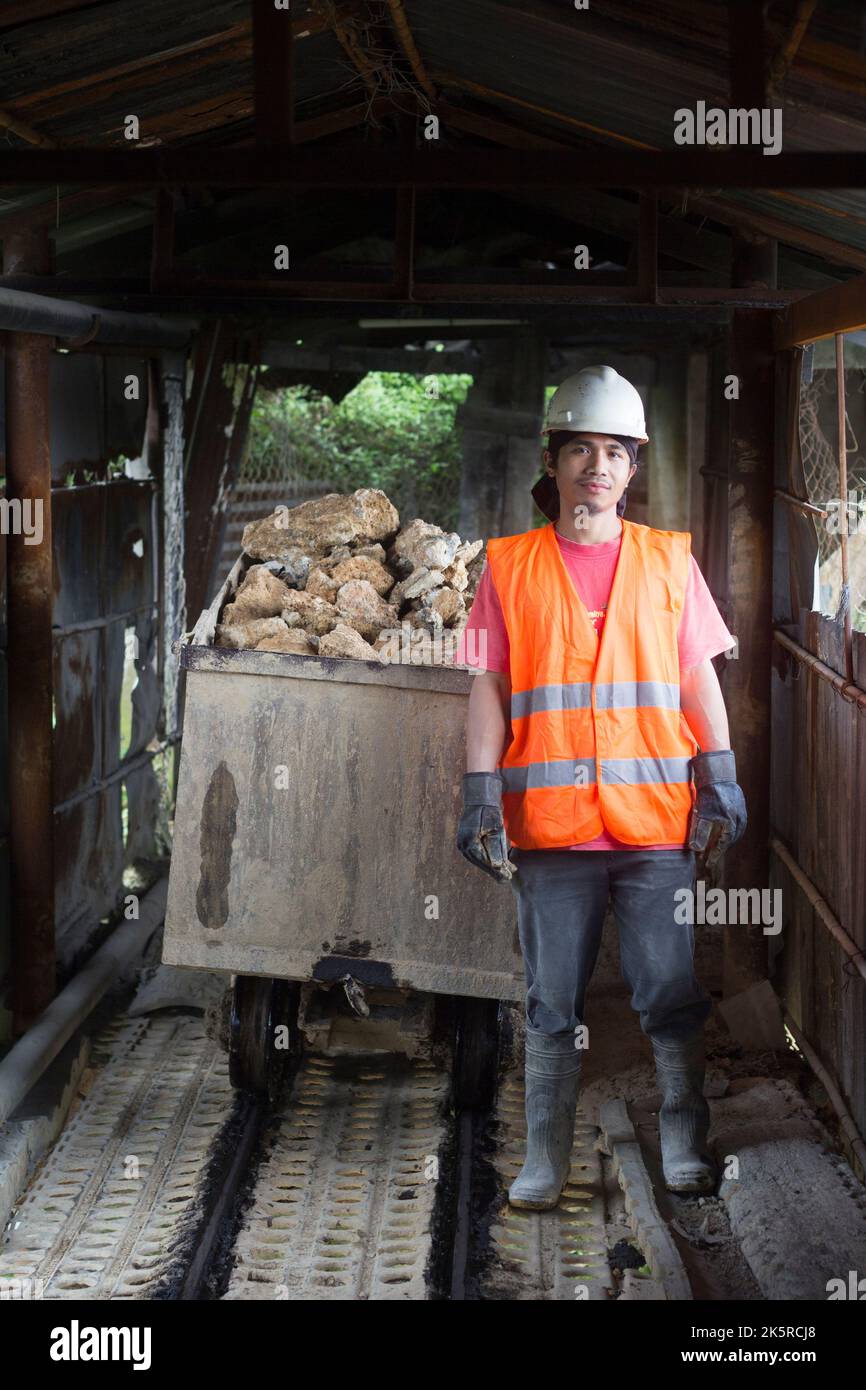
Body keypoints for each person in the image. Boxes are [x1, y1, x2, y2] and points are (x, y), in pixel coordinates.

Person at [454, 365, 747, 1210]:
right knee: (551, 1001)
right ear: (553, 460)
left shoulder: (668, 563)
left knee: (669, 991)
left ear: (632, 468)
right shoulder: (509, 567)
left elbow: (698, 678)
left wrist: (719, 775)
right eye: (580, 448)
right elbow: (489, 685)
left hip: (655, 826)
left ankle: (685, 1135)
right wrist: (480, 791)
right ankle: (545, 1157)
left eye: (614, 451)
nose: (597, 465)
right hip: (551, 830)